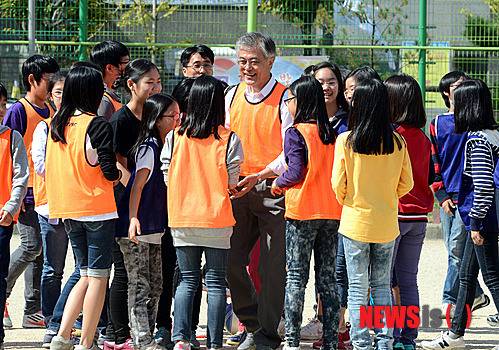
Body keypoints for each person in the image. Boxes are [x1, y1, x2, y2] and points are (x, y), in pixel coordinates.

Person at [161, 75, 243, 350]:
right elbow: (232, 182)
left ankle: (181, 338)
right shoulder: (228, 139)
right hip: (217, 217)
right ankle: (215, 342)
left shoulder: (175, 136)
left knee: (187, 279)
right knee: (217, 283)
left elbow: (166, 175)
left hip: (182, 217)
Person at [331, 79, 414, 350]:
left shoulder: (346, 140)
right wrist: (387, 198)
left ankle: (361, 343)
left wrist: (351, 201)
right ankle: (385, 342)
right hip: (386, 223)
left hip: (355, 222)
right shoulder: (398, 142)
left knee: (357, 288)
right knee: (381, 287)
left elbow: (337, 184)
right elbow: (407, 184)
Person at [224, 32, 292, 350]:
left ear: (270, 62)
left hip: (272, 190)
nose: (247, 68)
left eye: (254, 62)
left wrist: (262, 175)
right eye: (242, 61)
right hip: (238, 189)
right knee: (230, 261)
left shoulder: (285, 99)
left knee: (271, 266)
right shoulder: (231, 95)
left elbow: (291, 150)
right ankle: (252, 324)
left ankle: (267, 334)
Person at [46, 64, 121, 350]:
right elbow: (108, 169)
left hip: (68, 208)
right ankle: (86, 341)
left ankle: (63, 335)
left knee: (86, 274)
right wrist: (116, 175)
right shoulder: (96, 123)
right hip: (97, 208)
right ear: (92, 91)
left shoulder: (57, 125)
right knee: (99, 278)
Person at [421, 79, 499, 350]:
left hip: (478, 219)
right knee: (466, 277)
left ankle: (454, 335)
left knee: (492, 277)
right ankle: (455, 336)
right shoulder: (493, 133)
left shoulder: (477, 140)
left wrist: (476, 223)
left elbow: (484, 186)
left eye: (460, 103)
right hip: (475, 219)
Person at [270, 75, 340, 350]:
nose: (287, 104)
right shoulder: (332, 132)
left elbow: (295, 171)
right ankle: (331, 340)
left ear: (300, 101)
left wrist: (277, 183)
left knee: (297, 277)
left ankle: (291, 340)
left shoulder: (296, 132)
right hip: (332, 212)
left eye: (289, 99)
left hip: (302, 213)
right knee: (328, 279)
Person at [106, 58, 163, 350]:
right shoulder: (122, 120)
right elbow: (117, 164)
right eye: (149, 82)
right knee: (126, 274)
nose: (155, 87)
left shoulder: (153, 118)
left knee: (150, 278)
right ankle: (116, 335)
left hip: (148, 207)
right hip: (126, 208)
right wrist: (137, 189)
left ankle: (139, 332)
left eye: (158, 81)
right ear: (131, 85)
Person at [116, 93, 179, 349]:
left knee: (156, 285)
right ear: (156, 120)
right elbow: (136, 187)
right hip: (137, 226)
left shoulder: (167, 146)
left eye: (178, 115)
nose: (177, 120)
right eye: (171, 116)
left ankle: (148, 335)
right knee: (139, 284)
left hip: (155, 227)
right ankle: (141, 339)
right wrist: (132, 218)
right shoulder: (149, 148)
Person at [2, 54, 59, 329]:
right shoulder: (19, 111)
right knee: (30, 246)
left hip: (47, 192)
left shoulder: (51, 110)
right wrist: (19, 194)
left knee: (42, 251)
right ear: (32, 80)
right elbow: (9, 156)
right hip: (25, 192)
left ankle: (32, 309)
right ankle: (4, 296)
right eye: (48, 80)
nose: (52, 85)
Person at [429, 71, 489, 316]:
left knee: (456, 250)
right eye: (458, 85)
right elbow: (434, 162)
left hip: (469, 197)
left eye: (466, 84)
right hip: (448, 196)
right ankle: (475, 294)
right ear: (447, 92)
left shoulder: (476, 125)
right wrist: (441, 196)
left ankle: (450, 301)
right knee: (453, 251)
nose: (464, 88)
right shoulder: (438, 123)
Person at [301, 62, 350, 348]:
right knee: (306, 270)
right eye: (320, 82)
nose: (326, 87)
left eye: (332, 81)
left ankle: (332, 322)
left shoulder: (348, 121)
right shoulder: (304, 122)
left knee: (333, 270)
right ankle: (319, 319)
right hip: (309, 205)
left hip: (341, 207)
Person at [384, 74, 435, 350]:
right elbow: (427, 176)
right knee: (408, 279)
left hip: (396, 214)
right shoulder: (423, 139)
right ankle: (408, 338)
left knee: (386, 280)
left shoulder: (393, 138)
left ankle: (391, 335)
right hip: (419, 217)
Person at [30, 70, 72, 347]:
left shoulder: (82, 124)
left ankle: (70, 319)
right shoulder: (44, 127)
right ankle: (52, 322)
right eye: (57, 92)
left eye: (66, 92)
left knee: (83, 269)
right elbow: (40, 165)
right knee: (52, 269)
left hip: (79, 206)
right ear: (50, 95)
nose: (62, 97)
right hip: (51, 206)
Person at [154, 77, 196, 349]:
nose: (182, 118)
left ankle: (187, 329)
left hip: (190, 214)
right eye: (178, 113)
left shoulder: (204, 135)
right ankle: (163, 326)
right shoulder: (168, 139)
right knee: (166, 271)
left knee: (189, 275)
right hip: (163, 215)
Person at [0, 124, 29, 350]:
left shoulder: (12, 138)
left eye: (1, 105)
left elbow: (21, 175)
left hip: (2, 217)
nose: (0, 110)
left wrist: (12, 207)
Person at [90, 40, 130, 120]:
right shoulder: (103, 101)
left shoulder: (108, 95)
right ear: (109, 68)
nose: (130, 67)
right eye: (126, 63)